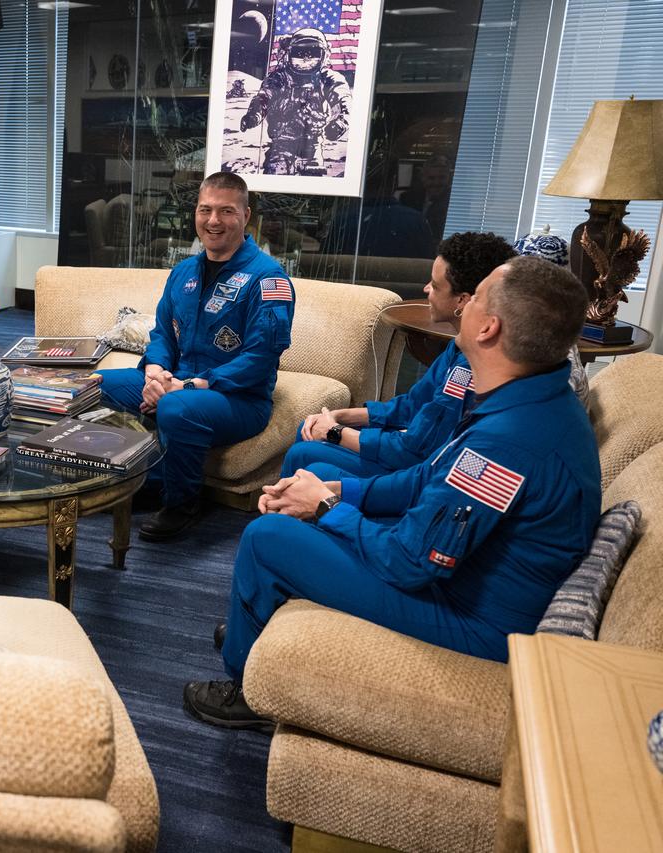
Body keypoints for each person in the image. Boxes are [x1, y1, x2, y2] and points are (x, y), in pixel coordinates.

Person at [184, 256, 599, 728]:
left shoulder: (507, 443)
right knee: (297, 502)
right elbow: (428, 480)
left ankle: (247, 690)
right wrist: (339, 489)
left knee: (265, 540)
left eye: (476, 296)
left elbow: (409, 562)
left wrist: (326, 506)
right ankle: (254, 621)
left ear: (488, 328)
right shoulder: (523, 401)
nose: (463, 305)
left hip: (472, 621)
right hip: (458, 576)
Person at [99, 172, 294, 541]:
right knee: (98, 386)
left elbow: (260, 358)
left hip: (237, 398)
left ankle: (181, 504)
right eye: (205, 210)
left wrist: (184, 386)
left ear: (246, 215)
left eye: (226, 211)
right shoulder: (183, 271)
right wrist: (156, 372)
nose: (213, 221)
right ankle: (134, 478)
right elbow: (162, 333)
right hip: (177, 380)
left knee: (177, 408)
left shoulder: (268, 279)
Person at [282, 232, 517, 480]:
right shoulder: (458, 344)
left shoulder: (469, 368)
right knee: (308, 429)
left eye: (435, 285)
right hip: (412, 449)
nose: (426, 289)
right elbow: (413, 405)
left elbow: (415, 450)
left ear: (462, 300)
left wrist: (336, 432)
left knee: (304, 454)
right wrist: (342, 415)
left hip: (418, 469)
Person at [239, 28, 351, 176]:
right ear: (289, 54)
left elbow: (342, 100)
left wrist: (340, 123)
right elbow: (264, 97)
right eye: (299, 53)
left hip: (312, 147)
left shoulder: (327, 79)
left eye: (313, 53)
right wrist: (254, 115)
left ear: (324, 55)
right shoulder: (279, 78)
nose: (306, 58)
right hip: (281, 145)